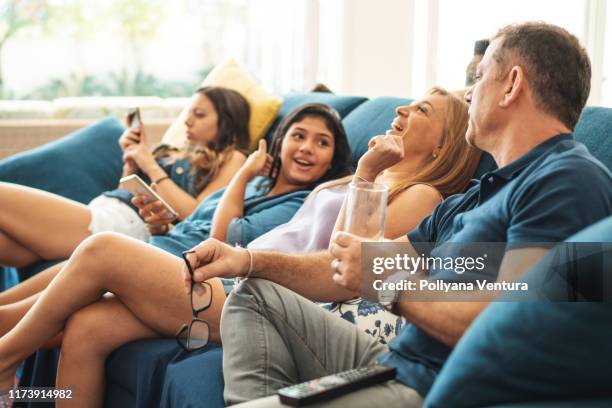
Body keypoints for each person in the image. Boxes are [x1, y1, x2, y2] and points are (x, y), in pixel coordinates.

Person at [172, 22, 612, 407]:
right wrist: (247, 260)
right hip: (397, 362)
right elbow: (349, 268)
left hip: (438, 386)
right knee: (255, 291)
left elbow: (510, 323)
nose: (469, 93)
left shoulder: (568, 181)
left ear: (512, 84)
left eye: (479, 79)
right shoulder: (474, 197)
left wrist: (389, 280)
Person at [0, 102, 354, 408]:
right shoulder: (259, 186)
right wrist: (161, 226)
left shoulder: (297, 205)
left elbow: (218, 242)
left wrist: (242, 175)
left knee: (94, 253)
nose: (307, 148)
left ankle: (5, 360)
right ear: (279, 143)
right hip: (159, 251)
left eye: (321, 143)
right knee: (52, 319)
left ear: (332, 161)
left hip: (193, 273)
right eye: (299, 136)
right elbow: (194, 224)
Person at [0, 86, 250, 269]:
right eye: (188, 112)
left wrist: (149, 163)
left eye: (200, 114)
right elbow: (127, 192)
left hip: (130, 227)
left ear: (227, 123)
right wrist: (131, 166)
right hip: (109, 210)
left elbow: (198, 213)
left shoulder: (234, 158)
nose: (187, 120)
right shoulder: (174, 151)